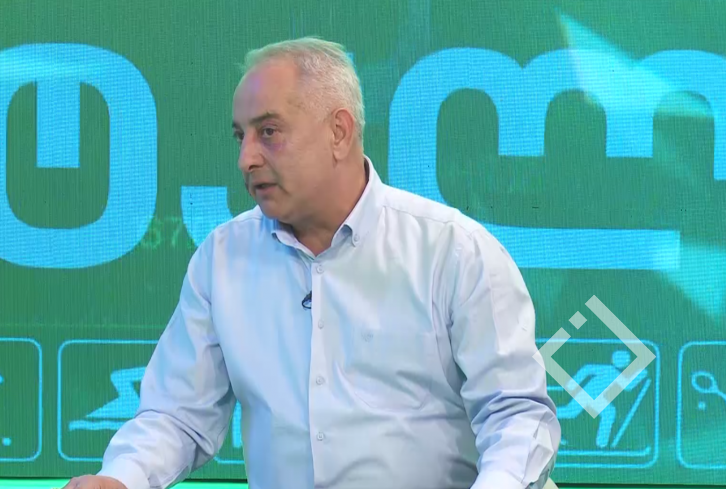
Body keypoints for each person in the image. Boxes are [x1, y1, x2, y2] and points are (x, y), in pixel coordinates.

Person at [64, 36, 560, 489]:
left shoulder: (453, 250)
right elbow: (177, 415)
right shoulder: (223, 257)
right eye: (240, 136)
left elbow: (516, 415)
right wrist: (122, 479)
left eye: (269, 132)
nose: (246, 159)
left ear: (339, 132)